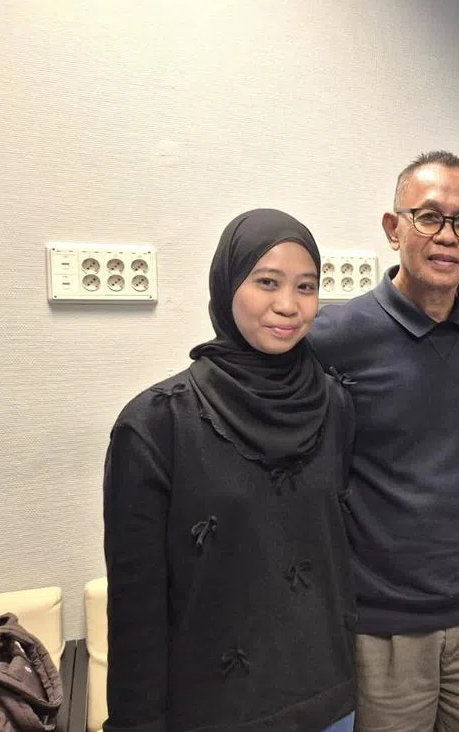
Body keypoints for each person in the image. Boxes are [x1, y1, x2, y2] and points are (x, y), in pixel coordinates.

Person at [103, 209, 356, 732]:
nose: (288, 305)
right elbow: (136, 608)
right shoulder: (157, 423)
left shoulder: (334, 404)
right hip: (214, 708)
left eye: (306, 287)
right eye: (267, 282)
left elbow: (339, 552)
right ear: (226, 285)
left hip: (328, 698)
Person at [308, 151, 459, 732]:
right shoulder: (333, 337)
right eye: (428, 217)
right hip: (381, 624)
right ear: (393, 228)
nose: (447, 236)